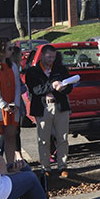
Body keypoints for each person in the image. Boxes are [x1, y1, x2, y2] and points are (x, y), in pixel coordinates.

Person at [25, 45, 73, 179]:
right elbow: (35, 90)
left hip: (60, 106)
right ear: (42, 56)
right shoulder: (33, 71)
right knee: (44, 139)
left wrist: (64, 88)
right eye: (48, 57)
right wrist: (51, 86)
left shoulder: (60, 69)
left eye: (53, 57)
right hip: (43, 107)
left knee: (62, 138)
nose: (51, 59)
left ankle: (62, 166)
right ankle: (45, 168)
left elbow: (69, 88)